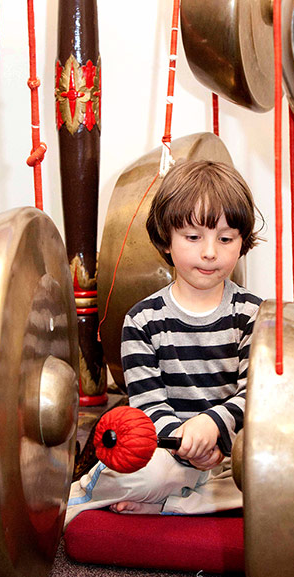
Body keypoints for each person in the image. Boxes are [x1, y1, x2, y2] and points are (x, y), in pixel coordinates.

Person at [65, 159, 263, 527]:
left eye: (225, 238)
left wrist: (211, 430)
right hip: (169, 453)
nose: (209, 252)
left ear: (242, 242)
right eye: (193, 237)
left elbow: (256, 396)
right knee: (145, 475)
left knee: (278, 482)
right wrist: (186, 446)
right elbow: (149, 406)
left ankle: (171, 505)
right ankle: (106, 496)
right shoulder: (143, 320)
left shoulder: (254, 314)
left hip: (232, 454)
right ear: (166, 241)